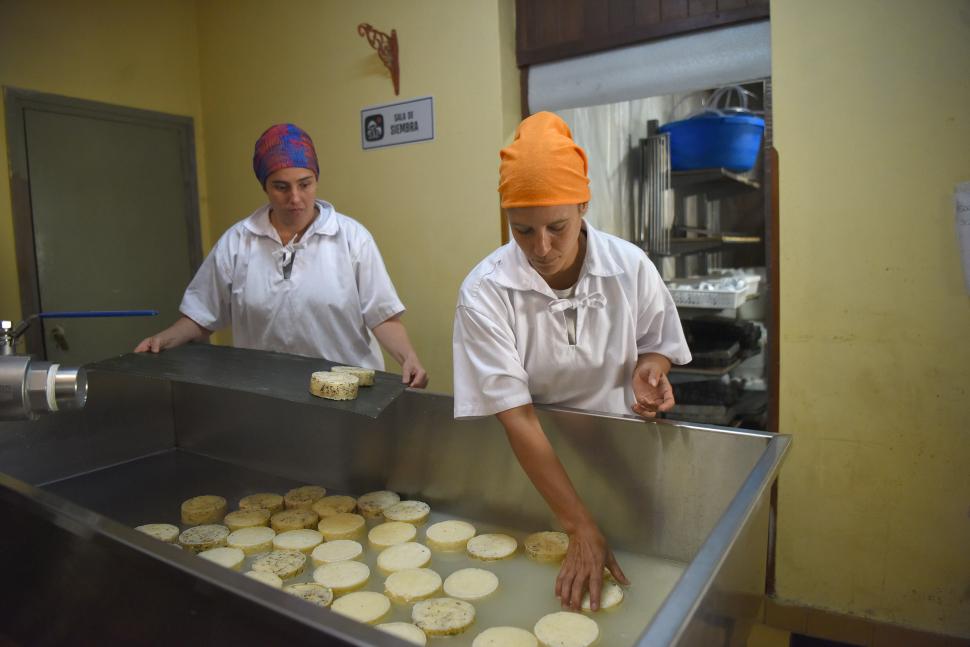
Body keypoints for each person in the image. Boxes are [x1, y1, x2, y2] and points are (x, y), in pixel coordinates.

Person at [452, 112, 690, 610]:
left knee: (644, 581)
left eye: (557, 227)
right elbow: (515, 414)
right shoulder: (485, 292)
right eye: (522, 231)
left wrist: (653, 368)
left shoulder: (629, 267)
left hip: (623, 450)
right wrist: (577, 524)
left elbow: (658, 342)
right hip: (538, 466)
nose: (542, 248)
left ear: (583, 203)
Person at [136, 123, 427, 387]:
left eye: (305, 183)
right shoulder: (238, 242)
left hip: (346, 395)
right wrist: (163, 339)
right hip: (265, 392)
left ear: (316, 179)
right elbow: (201, 314)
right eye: (281, 187)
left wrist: (408, 358)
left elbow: (381, 316)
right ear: (264, 185)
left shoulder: (352, 239)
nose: (295, 198)